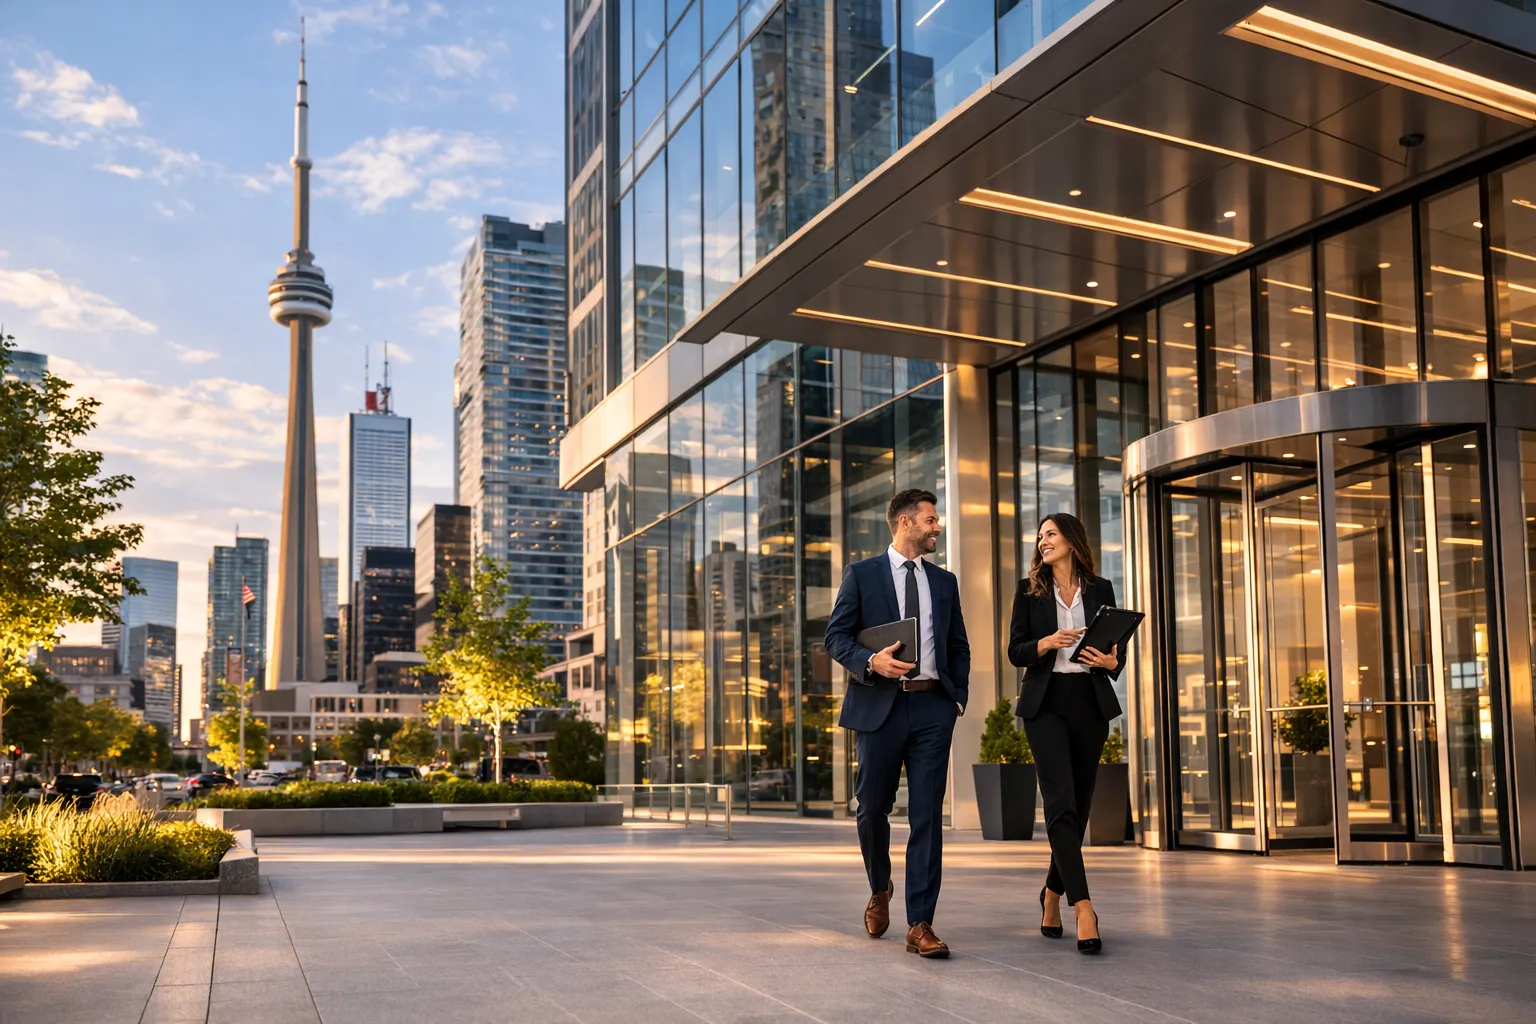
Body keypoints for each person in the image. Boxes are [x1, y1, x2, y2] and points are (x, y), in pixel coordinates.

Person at [825, 488, 970, 959]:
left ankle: (920, 923)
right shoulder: (862, 574)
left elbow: (958, 645)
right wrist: (870, 662)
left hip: (933, 708)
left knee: (927, 815)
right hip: (879, 708)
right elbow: (835, 637)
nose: (937, 527)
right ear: (906, 522)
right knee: (871, 809)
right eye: (930, 520)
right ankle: (880, 886)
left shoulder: (944, 581)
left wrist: (957, 698)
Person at [1007, 512, 1123, 955]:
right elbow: (1016, 650)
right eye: (1039, 537)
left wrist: (1113, 663)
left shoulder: (1102, 589)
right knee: (1059, 804)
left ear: (1072, 539)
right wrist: (1047, 643)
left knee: (1081, 807)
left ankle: (1051, 894)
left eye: (1050, 534)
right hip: (1046, 704)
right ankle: (1084, 907)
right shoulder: (1028, 591)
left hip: (1090, 703)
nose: (1042, 542)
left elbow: (1116, 653)